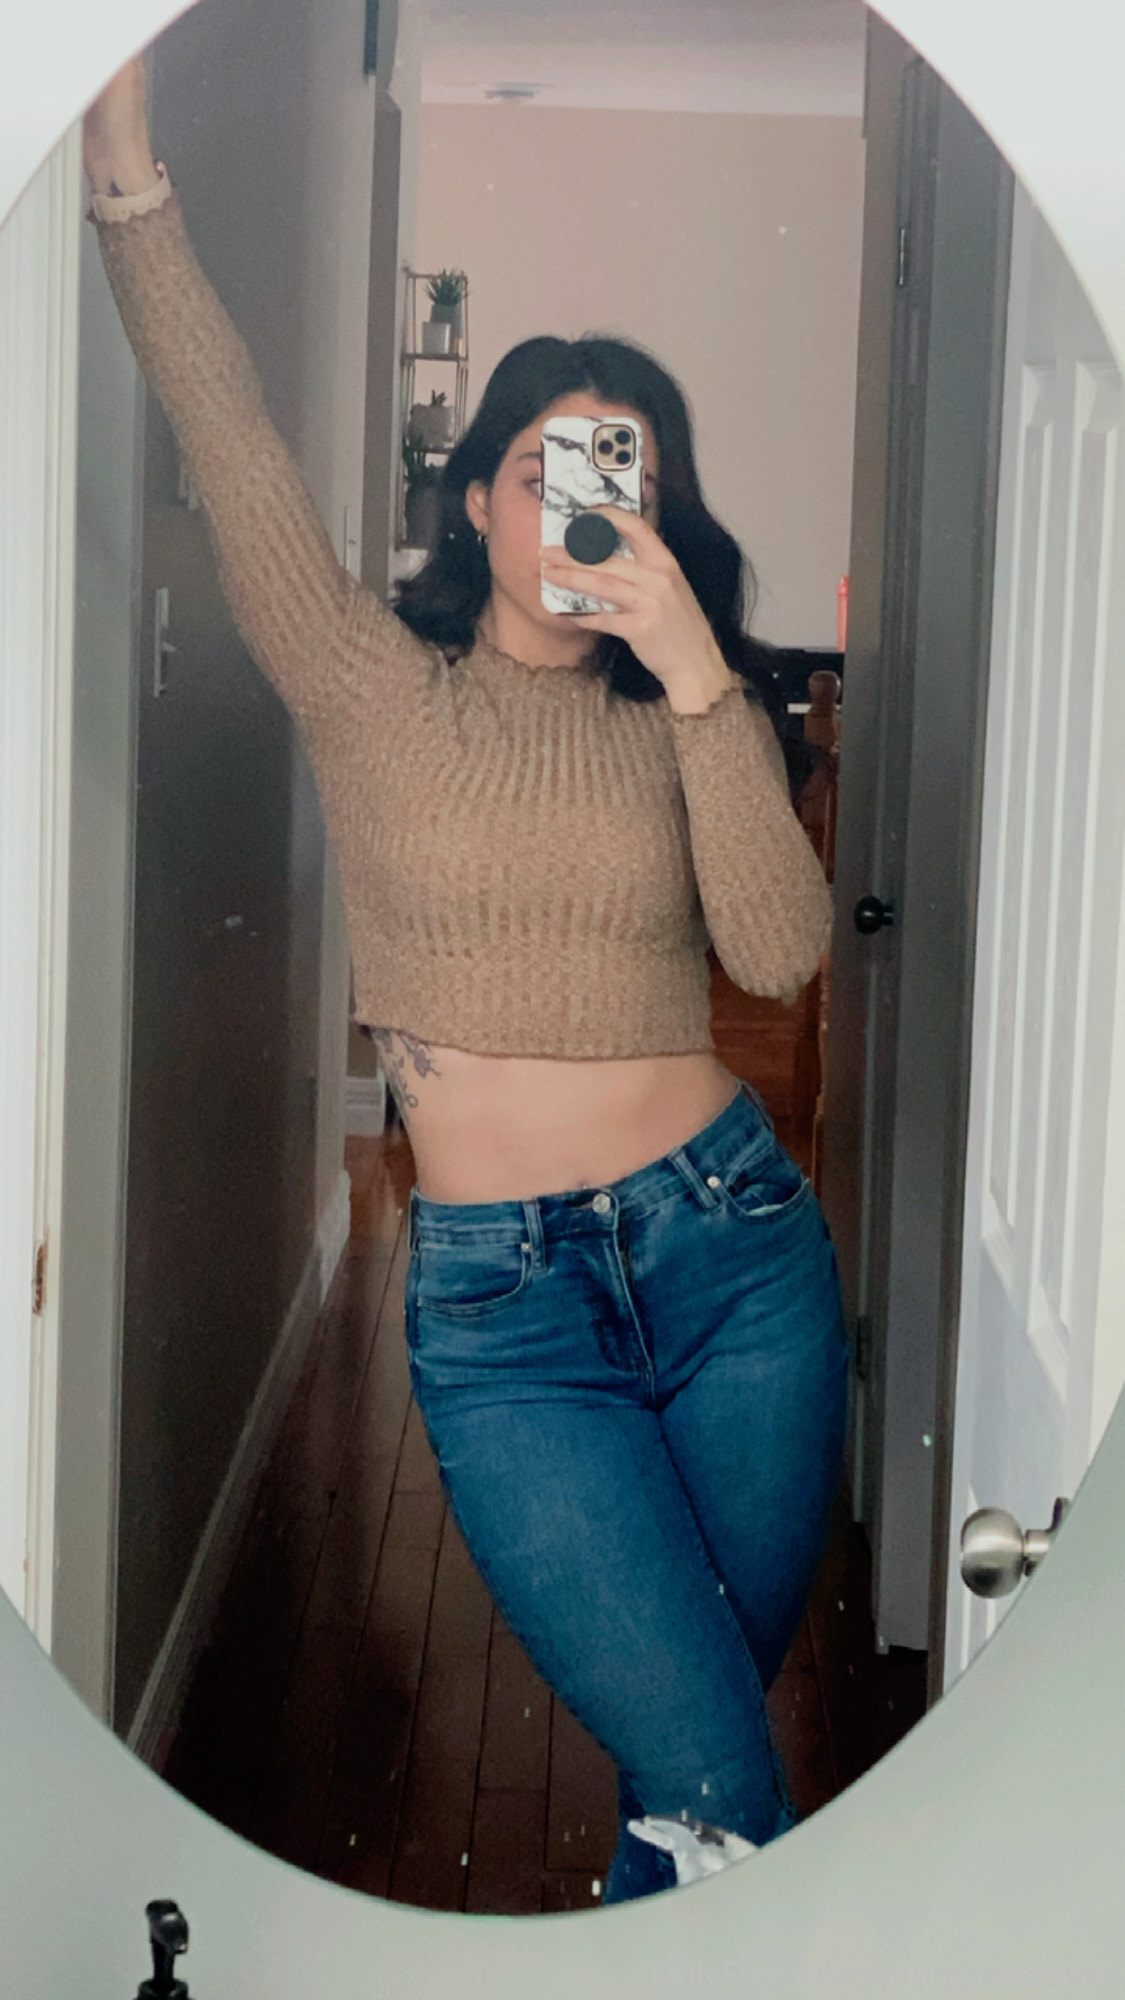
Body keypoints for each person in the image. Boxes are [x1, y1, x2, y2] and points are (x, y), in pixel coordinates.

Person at [83, 55, 849, 1907]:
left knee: (695, 1787)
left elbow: (777, 950)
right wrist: (128, 179)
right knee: (717, 1784)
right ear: (482, 500)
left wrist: (697, 674)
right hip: (507, 1315)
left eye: (622, 478)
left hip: (738, 1260)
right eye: (544, 471)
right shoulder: (373, 686)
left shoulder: (689, 711)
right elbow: (235, 441)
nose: (580, 510)